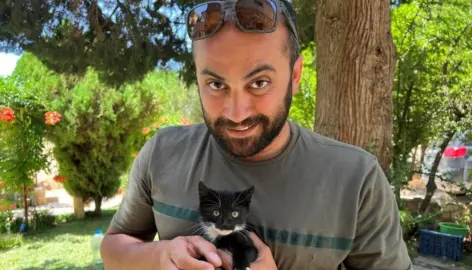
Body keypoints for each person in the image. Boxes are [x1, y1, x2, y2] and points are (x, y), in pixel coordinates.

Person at [100, 0, 413, 269]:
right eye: (216, 84)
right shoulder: (162, 153)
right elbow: (113, 249)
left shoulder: (357, 179)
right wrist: (160, 256)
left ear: (295, 75)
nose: (237, 114)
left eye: (259, 82)